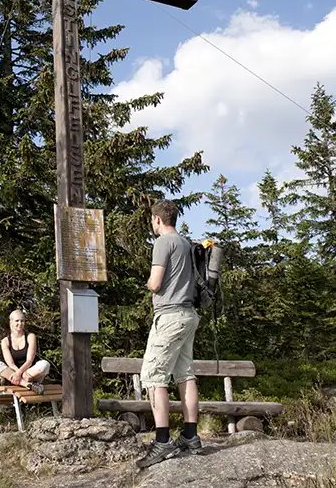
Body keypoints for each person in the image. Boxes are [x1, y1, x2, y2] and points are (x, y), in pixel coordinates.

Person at [136, 199, 202, 469]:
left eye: (152, 220)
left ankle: (162, 441)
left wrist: (148, 281)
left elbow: (155, 283)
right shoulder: (186, 242)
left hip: (170, 317)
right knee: (185, 374)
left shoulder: (163, 243)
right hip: (188, 315)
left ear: (158, 220)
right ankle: (190, 436)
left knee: (153, 377)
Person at [0, 309, 49, 396]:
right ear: (11, 322)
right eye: (17, 321)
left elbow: (30, 360)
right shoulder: (5, 341)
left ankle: (21, 381)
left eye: (22, 321)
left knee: (45, 364)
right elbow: (10, 363)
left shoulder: (30, 337)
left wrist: (19, 373)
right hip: (13, 372)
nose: (20, 323)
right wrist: (17, 373)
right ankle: (27, 385)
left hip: (28, 373)